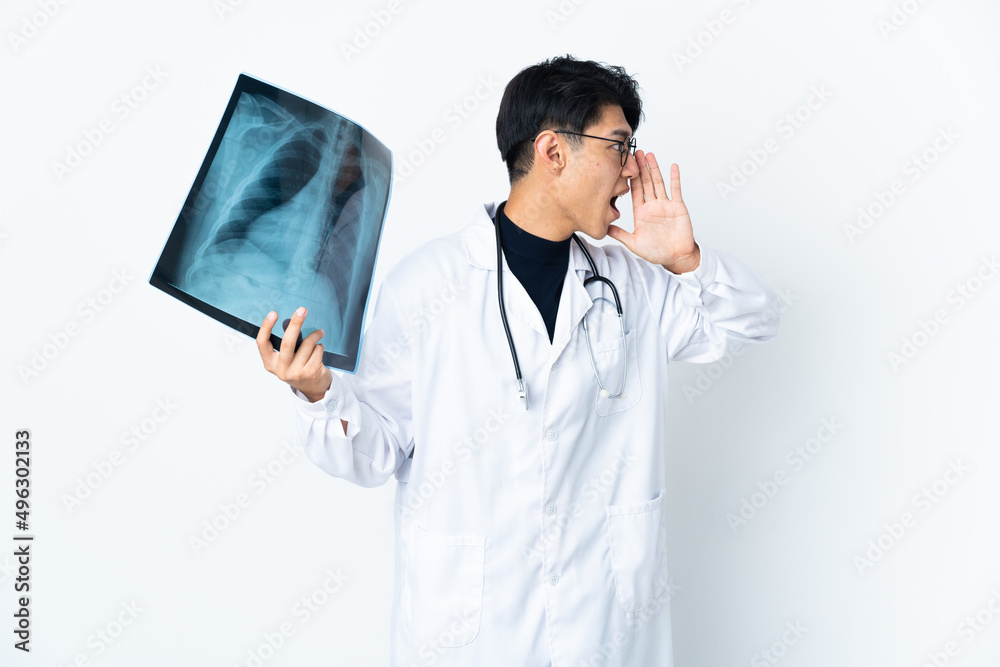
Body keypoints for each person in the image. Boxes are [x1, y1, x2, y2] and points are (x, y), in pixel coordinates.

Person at [256, 54, 780, 667]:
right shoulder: (429, 285)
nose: (632, 170)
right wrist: (318, 393)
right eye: (619, 146)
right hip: (472, 635)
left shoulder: (634, 282)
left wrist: (685, 259)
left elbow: (753, 320)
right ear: (553, 152)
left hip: (605, 626)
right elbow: (375, 456)